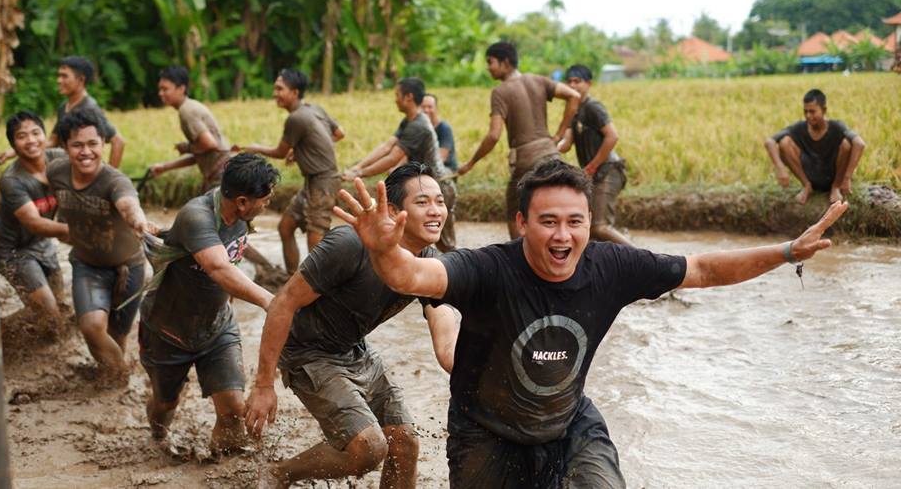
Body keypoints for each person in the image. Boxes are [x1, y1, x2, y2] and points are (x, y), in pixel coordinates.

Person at [334, 159, 847, 488]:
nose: (563, 235)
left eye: (574, 221)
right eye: (548, 221)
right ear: (522, 224)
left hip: (568, 424)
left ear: (587, 224)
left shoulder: (611, 266)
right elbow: (414, 273)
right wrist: (384, 252)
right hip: (485, 433)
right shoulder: (488, 268)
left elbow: (705, 269)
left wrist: (786, 251)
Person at [243, 163, 461, 489]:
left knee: (405, 445)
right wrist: (263, 384)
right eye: (423, 202)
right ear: (393, 210)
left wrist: (465, 367)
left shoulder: (427, 262)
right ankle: (281, 473)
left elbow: (442, 319)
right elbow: (283, 302)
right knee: (369, 448)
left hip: (353, 348)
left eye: (440, 201)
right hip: (308, 352)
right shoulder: (350, 244)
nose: (436, 211)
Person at [140, 154, 279, 454]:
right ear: (242, 201)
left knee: (232, 410)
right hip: (168, 331)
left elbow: (233, 263)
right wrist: (270, 300)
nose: (267, 204)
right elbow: (219, 269)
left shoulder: (240, 218)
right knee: (166, 404)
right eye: (265, 199)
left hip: (217, 328)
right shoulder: (197, 216)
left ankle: (220, 470)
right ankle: (158, 438)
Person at [48, 109, 157, 383]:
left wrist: (140, 222)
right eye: (77, 145)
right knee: (92, 326)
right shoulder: (56, 172)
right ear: (64, 147)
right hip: (87, 266)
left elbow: (129, 204)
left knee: (117, 336)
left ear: (104, 145)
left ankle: (110, 379)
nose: (86, 152)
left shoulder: (114, 180)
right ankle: (123, 377)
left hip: (129, 269)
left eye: (92, 144)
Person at [457, 41, 581, 239]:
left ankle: (519, 264)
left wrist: (470, 163)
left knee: (515, 214)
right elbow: (574, 96)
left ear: (505, 63)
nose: (488, 67)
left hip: (526, 163)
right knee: (555, 213)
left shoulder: (500, 92)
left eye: (491, 62)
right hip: (553, 157)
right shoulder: (539, 80)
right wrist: (558, 134)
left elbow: (493, 135)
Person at [236, 69, 345, 274]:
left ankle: (318, 287)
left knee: (316, 234)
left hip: (323, 182)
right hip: (312, 182)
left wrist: (254, 148)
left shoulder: (296, 118)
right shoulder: (314, 109)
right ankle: (292, 279)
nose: (275, 93)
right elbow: (338, 134)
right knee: (285, 227)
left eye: (280, 89)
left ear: (294, 92)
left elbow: (279, 152)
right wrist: (303, 149)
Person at [344, 78, 457, 252]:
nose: (395, 99)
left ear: (408, 97)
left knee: (444, 242)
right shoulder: (409, 121)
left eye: (397, 95)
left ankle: (455, 276)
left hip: (437, 186)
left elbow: (392, 158)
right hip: (423, 184)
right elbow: (387, 146)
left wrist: (361, 173)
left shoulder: (418, 125)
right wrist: (358, 167)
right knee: (412, 235)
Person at [0, 111, 69, 338]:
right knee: (51, 316)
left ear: (45, 136)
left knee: (59, 307)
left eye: (36, 133)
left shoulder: (59, 159)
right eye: (22, 136)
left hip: (41, 242)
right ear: (13, 145)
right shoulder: (12, 180)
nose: (31, 140)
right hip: (11, 250)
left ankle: (15, 327)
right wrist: (80, 233)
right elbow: (34, 223)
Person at [0, 56, 126, 168]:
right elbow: (53, 141)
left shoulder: (89, 109)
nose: (59, 80)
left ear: (81, 80)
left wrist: (108, 178)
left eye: (64, 76)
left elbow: (118, 141)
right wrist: (14, 151)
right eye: (59, 75)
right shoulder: (64, 106)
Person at [556, 64, 634, 247]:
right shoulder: (573, 110)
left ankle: (645, 260)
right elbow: (566, 143)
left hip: (608, 171)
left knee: (599, 227)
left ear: (588, 83)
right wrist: (548, 146)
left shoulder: (593, 107)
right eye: (569, 82)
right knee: (590, 229)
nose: (573, 85)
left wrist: (592, 166)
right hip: (594, 174)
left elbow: (612, 136)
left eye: (578, 81)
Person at [764, 89, 866, 205]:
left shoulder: (837, 126)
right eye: (805, 111)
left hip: (833, 175)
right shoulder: (799, 127)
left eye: (812, 112)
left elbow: (859, 144)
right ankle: (807, 186)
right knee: (784, 143)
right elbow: (770, 141)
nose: (808, 116)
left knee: (847, 144)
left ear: (824, 110)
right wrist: (780, 167)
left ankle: (835, 188)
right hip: (811, 174)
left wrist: (847, 178)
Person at [150, 66, 231, 192]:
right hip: (222, 173)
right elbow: (200, 152)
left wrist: (187, 148)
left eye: (165, 89)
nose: (160, 93)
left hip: (221, 176)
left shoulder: (187, 111)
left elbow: (209, 144)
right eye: (160, 89)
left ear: (181, 89)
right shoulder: (189, 107)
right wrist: (165, 167)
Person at [420, 93, 459, 173]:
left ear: (436, 109)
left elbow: (441, 157)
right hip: (425, 166)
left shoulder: (444, 129)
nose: (426, 110)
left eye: (430, 107)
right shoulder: (417, 128)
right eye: (423, 107)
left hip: (444, 168)